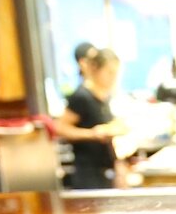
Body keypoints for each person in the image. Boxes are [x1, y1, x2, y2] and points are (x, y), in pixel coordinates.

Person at [53, 46, 127, 188]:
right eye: (109, 73)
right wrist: (92, 134)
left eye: (116, 73)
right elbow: (60, 128)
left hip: (105, 169)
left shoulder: (104, 97)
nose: (113, 78)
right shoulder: (82, 96)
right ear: (95, 69)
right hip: (87, 173)